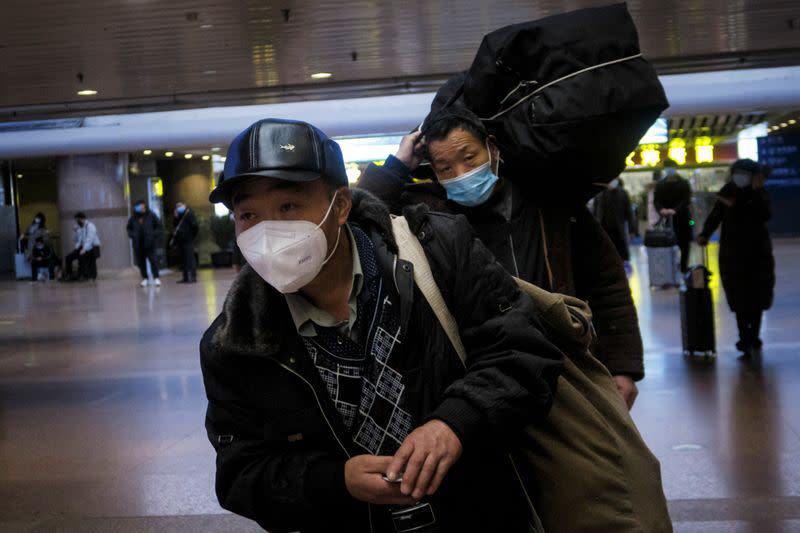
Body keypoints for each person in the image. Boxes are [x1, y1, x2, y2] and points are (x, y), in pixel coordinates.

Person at [201, 118, 563, 532]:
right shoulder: (234, 343)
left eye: (288, 207)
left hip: (479, 513)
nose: (269, 232)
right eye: (248, 214)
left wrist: (455, 423)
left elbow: (525, 353)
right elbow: (241, 474)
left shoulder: (439, 252)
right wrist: (335, 481)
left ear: (340, 206)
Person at [358, 108, 644, 408]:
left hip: (567, 366)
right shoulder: (430, 219)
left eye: (469, 159)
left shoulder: (550, 203)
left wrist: (623, 365)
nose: (461, 174)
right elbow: (359, 226)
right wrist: (397, 166)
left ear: (492, 148)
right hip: (485, 378)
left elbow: (605, 281)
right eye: (445, 168)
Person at [697, 159, 775, 358]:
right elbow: (715, 215)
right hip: (733, 254)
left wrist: (757, 192)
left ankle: (753, 335)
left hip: (758, 254)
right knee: (738, 296)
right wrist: (705, 234)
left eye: (744, 173)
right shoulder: (726, 193)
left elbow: (766, 214)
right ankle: (744, 337)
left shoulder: (759, 194)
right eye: (737, 172)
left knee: (757, 296)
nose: (739, 177)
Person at [654, 159, 693, 272]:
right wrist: (661, 210)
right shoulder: (661, 184)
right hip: (667, 220)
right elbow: (657, 200)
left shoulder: (684, 183)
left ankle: (683, 267)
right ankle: (670, 269)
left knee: (684, 245)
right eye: (667, 167)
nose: (669, 169)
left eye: (671, 167)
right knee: (668, 245)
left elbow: (686, 200)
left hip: (683, 218)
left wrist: (675, 210)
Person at [591, 177, 636, 267]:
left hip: (618, 230)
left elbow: (629, 213)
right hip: (603, 229)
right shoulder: (600, 194)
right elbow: (595, 212)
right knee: (605, 254)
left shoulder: (622, 193)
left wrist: (632, 230)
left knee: (620, 254)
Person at [126, 200, 163, 287]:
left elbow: (158, 226)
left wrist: (154, 235)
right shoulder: (133, 218)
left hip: (150, 243)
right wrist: (132, 235)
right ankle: (145, 278)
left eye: (142, 206)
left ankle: (156, 278)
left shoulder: (151, 215)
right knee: (141, 263)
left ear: (145, 206)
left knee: (153, 261)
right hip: (138, 244)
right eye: (139, 206)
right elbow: (128, 228)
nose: (141, 208)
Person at [63, 212, 101, 281]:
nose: (77, 222)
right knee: (68, 258)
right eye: (76, 220)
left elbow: (90, 239)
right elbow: (76, 240)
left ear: (82, 219)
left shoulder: (90, 226)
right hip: (82, 246)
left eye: (78, 220)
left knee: (83, 257)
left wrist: (84, 249)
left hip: (92, 247)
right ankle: (69, 275)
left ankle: (86, 275)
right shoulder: (79, 227)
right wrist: (74, 231)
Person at [170, 202, 199, 283]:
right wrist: (175, 217)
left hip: (188, 240)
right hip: (180, 241)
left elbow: (195, 227)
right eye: (177, 206)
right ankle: (185, 277)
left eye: (180, 206)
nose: (178, 208)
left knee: (190, 259)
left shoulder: (189, 214)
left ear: (185, 206)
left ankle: (193, 277)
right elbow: (175, 227)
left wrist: (191, 237)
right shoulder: (178, 215)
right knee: (183, 259)